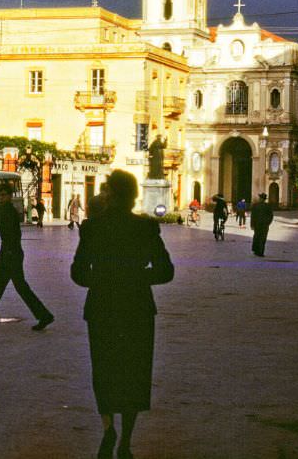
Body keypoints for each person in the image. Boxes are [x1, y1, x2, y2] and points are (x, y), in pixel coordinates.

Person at [71, 169, 174, 459]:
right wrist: (137, 278)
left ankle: (107, 430)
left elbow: (77, 273)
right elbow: (166, 271)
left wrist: (103, 280)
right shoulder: (146, 227)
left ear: (112, 195)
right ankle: (126, 439)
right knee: (134, 372)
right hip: (137, 307)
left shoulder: (92, 228)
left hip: (102, 307)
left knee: (103, 369)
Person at [0, 183, 54, 331]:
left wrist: (8, 250)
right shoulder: (6, 210)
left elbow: (10, 232)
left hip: (10, 254)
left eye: (3, 195)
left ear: (9, 196)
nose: (1, 198)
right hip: (11, 252)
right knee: (5, 287)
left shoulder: (9, 211)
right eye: (0, 195)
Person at [250, 193, 273, 257]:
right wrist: (268, 223)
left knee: (257, 237)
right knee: (262, 238)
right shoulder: (268, 206)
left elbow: (253, 216)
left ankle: (256, 250)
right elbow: (271, 216)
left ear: (260, 198)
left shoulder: (255, 205)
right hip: (264, 225)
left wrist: (252, 225)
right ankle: (261, 252)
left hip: (257, 225)